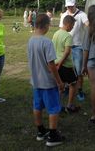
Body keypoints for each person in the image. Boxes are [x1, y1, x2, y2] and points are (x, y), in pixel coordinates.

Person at [27, 14, 65, 147]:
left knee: (37, 106)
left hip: (36, 81)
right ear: (46, 25)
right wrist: (59, 82)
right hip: (48, 82)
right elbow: (51, 66)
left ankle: (40, 131)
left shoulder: (31, 40)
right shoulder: (46, 42)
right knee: (54, 108)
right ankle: (53, 136)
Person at [59, 0, 89, 101]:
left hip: (78, 47)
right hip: (66, 46)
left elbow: (88, 25)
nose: (69, 8)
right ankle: (68, 87)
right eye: (68, 6)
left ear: (75, 4)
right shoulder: (64, 15)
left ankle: (80, 91)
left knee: (78, 70)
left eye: (71, 6)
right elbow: (61, 29)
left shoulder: (82, 15)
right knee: (67, 69)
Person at [52, 15, 79, 113]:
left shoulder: (56, 33)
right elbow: (67, 52)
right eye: (72, 25)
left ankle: (57, 106)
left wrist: (57, 64)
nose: (72, 27)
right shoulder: (68, 36)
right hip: (65, 65)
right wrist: (61, 63)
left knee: (60, 85)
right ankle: (70, 105)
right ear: (68, 24)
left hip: (56, 63)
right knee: (74, 83)